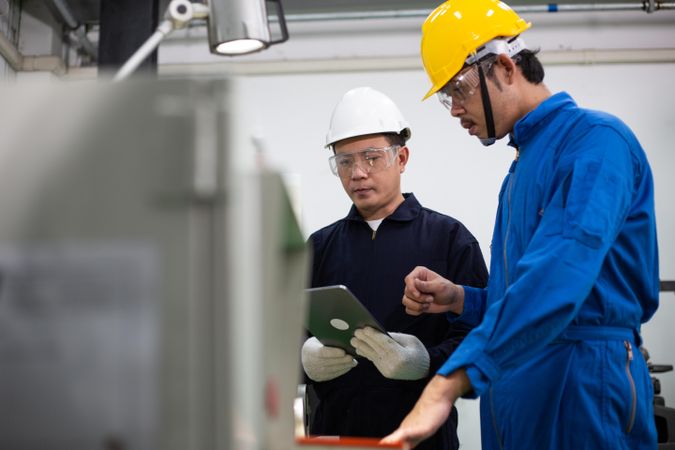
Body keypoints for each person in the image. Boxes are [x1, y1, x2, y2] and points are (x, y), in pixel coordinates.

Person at [382, 1, 660, 449]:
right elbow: (521, 290)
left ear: (506, 67)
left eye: (459, 89)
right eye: (446, 97)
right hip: (519, 389)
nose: (454, 109)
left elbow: (559, 280)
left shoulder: (595, 144)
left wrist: (447, 381)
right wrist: (460, 299)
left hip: (582, 385)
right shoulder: (521, 167)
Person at [301, 86, 488, 450]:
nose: (357, 173)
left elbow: (483, 340)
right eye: (344, 161)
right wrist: (305, 359)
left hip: (423, 440)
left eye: (372, 158)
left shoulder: (449, 239)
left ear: (402, 158)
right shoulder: (320, 248)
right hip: (339, 438)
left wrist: (425, 362)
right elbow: (284, 338)